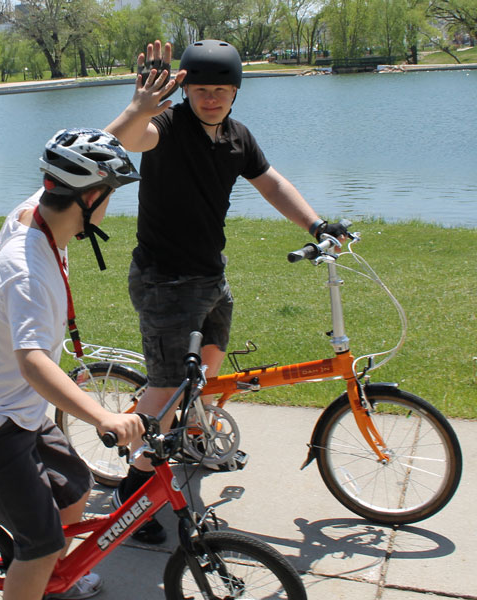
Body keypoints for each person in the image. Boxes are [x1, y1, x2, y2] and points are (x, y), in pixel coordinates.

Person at [105, 40, 348, 544]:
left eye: (220, 90)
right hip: (165, 281)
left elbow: (270, 182)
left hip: (210, 277)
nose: (210, 98)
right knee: (169, 388)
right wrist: (141, 104)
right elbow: (129, 140)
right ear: (186, 91)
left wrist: (316, 224)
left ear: (235, 92)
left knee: (208, 370)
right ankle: (130, 495)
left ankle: (190, 439)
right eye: (200, 90)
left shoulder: (238, 137)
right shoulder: (167, 128)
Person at [0, 128, 145, 600]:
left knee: (74, 489)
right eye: (108, 195)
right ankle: (38, 571)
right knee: (40, 542)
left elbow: (78, 158)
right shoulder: (26, 269)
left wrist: (136, 114)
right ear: (90, 198)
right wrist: (103, 415)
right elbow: (33, 364)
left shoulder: (42, 212)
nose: (111, 205)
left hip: (16, 412)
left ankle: (54, 579)